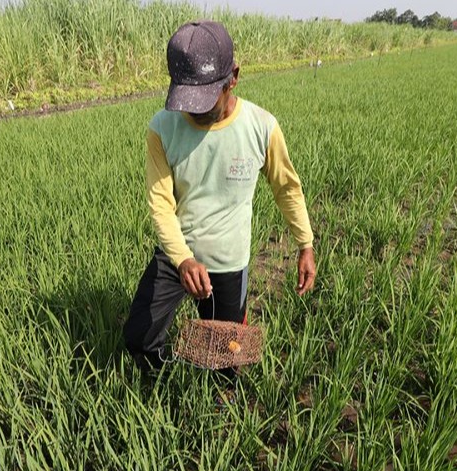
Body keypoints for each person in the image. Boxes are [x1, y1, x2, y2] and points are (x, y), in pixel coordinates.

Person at [123, 20, 316, 374]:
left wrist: (305, 244)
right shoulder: (162, 128)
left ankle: (214, 390)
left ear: (234, 78)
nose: (194, 111)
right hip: (176, 254)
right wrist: (183, 259)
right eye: (188, 100)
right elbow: (161, 205)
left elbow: (286, 187)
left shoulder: (261, 127)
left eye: (204, 100)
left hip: (228, 260)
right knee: (139, 337)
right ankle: (168, 383)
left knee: (226, 360)